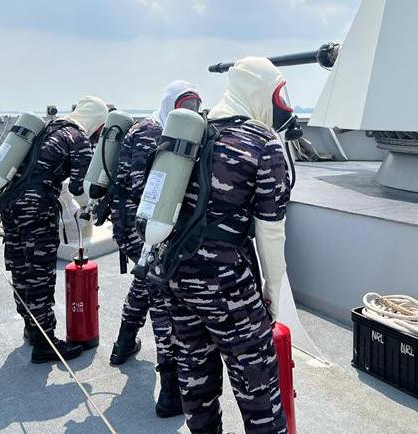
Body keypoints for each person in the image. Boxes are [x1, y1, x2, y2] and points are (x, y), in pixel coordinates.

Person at [155, 57, 292, 434]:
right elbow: (270, 231)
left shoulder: (193, 130)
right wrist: (272, 292)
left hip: (176, 275)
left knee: (195, 377)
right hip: (227, 285)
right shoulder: (263, 142)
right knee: (258, 388)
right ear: (261, 93)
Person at [108, 80, 201, 417]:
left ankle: (123, 343)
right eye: (185, 105)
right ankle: (170, 390)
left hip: (132, 224)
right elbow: (145, 188)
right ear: (170, 104)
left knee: (144, 282)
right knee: (162, 303)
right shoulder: (155, 133)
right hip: (145, 227)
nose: (190, 112)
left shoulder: (147, 127)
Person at [1, 96, 108, 364]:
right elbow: (80, 187)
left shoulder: (47, 128)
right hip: (36, 208)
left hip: (9, 204)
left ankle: (31, 328)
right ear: (97, 121)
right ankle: (45, 343)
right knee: (39, 275)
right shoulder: (78, 138)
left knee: (21, 270)